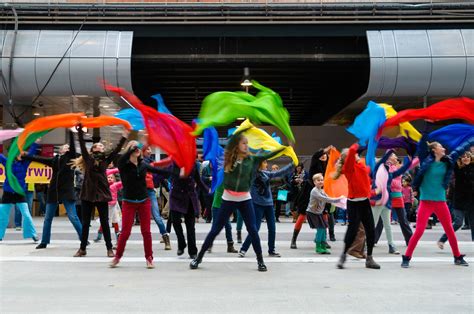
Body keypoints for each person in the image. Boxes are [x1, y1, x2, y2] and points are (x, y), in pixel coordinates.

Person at [190, 133, 284, 271]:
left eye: (247, 143)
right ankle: (198, 258)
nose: (246, 146)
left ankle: (260, 261)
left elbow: (267, 154)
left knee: (253, 229)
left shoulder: (251, 159)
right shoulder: (227, 158)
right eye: (244, 143)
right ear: (237, 145)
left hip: (245, 198)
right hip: (228, 199)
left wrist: (284, 148)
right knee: (215, 229)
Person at [110, 141, 179, 269]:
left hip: (143, 201)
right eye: (134, 147)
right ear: (129, 150)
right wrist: (134, 146)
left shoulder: (143, 165)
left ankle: (149, 258)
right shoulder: (123, 165)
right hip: (128, 202)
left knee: (146, 232)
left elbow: (160, 171)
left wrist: (176, 170)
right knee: (125, 232)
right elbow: (123, 156)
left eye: (138, 148)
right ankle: (117, 256)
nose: (137, 149)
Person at [402, 141, 471, 268]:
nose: (444, 148)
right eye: (441, 147)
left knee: (450, 230)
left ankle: (457, 257)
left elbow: (461, 148)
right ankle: (406, 257)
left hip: (441, 202)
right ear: (434, 150)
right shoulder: (425, 161)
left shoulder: (448, 161)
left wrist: (471, 138)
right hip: (426, 202)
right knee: (419, 231)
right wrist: (428, 124)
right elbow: (423, 142)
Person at [72, 125, 127, 258]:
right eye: (98, 146)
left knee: (105, 222)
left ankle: (109, 248)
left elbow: (117, 150)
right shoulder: (88, 159)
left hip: (102, 195)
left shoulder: (106, 160)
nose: (101, 147)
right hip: (87, 195)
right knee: (85, 223)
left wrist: (124, 136)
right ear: (93, 149)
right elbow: (82, 146)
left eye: (102, 146)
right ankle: (82, 248)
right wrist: (79, 131)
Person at [22, 132, 82, 249]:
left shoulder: (71, 158)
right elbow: (38, 158)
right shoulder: (54, 160)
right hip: (53, 191)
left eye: (68, 147)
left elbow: (73, 146)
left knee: (73, 216)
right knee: (48, 218)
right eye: (65, 146)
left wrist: (70, 131)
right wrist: (25, 155)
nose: (68, 148)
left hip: (67, 191)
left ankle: (83, 238)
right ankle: (44, 241)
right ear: (60, 150)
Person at [334, 143, 380, 270]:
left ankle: (369, 258)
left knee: (370, 230)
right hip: (354, 203)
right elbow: (354, 149)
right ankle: (343, 255)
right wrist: (362, 139)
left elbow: (368, 172)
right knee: (352, 230)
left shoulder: (360, 165)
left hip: (364, 202)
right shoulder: (349, 168)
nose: (356, 154)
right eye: (352, 155)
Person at [238, 160, 294, 258]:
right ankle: (243, 249)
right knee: (255, 228)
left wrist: (291, 165)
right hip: (257, 205)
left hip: (269, 204)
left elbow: (278, 173)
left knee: (272, 228)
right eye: (264, 162)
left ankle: (271, 250)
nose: (266, 164)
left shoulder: (266, 173)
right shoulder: (252, 174)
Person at [292, 146, 333, 249]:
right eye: (322, 154)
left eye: (325, 155)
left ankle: (322, 240)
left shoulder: (328, 166)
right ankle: (293, 240)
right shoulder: (315, 163)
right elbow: (315, 155)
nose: (324, 156)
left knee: (324, 216)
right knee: (302, 216)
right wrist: (325, 150)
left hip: (322, 193)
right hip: (310, 192)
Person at [168, 160, 208, 259]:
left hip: (189, 197)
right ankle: (181, 244)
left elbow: (198, 180)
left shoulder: (193, 163)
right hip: (176, 196)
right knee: (175, 221)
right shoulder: (173, 162)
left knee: (190, 225)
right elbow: (166, 174)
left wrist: (208, 190)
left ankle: (192, 251)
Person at [0, 143, 39, 242]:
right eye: (19, 153)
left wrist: (35, 144)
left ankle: (33, 234)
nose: (22, 154)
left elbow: (31, 153)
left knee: (26, 214)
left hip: (19, 192)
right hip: (8, 192)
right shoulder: (8, 162)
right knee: (3, 215)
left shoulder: (25, 164)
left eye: (22, 153)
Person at [437, 151, 474, 247]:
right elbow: (450, 160)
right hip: (459, 200)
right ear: (460, 159)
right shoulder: (458, 169)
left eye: (467, 157)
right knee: (458, 222)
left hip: (471, 200)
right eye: (463, 157)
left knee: (473, 223)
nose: (465, 158)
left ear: (471, 158)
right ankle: (442, 240)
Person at [142, 146, 172, 250]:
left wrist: (166, 186)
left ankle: (165, 237)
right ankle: (120, 240)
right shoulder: (139, 162)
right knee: (129, 218)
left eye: (150, 149)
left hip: (150, 191)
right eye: (147, 149)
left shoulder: (152, 163)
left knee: (157, 216)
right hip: (138, 192)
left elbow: (159, 176)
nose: (150, 151)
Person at [306, 173, 344, 254]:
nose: (320, 181)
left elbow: (329, 198)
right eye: (318, 180)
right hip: (312, 213)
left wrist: (339, 200)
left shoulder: (322, 191)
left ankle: (323, 246)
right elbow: (325, 199)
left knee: (324, 229)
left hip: (318, 213)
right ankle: (318, 247)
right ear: (314, 182)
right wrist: (338, 199)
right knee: (320, 229)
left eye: (321, 180)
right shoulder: (314, 191)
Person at [94, 169, 122, 246]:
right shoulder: (104, 185)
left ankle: (118, 236)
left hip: (114, 205)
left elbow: (123, 183)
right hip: (107, 206)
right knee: (105, 221)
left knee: (115, 220)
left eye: (111, 177)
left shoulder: (115, 185)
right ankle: (99, 235)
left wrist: (122, 171)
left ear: (114, 179)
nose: (109, 179)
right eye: (108, 177)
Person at [207, 185, 238, 254]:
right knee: (215, 226)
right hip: (217, 206)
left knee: (228, 226)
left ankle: (230, 246)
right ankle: (209, 244)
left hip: (225, 207)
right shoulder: (220, 179)